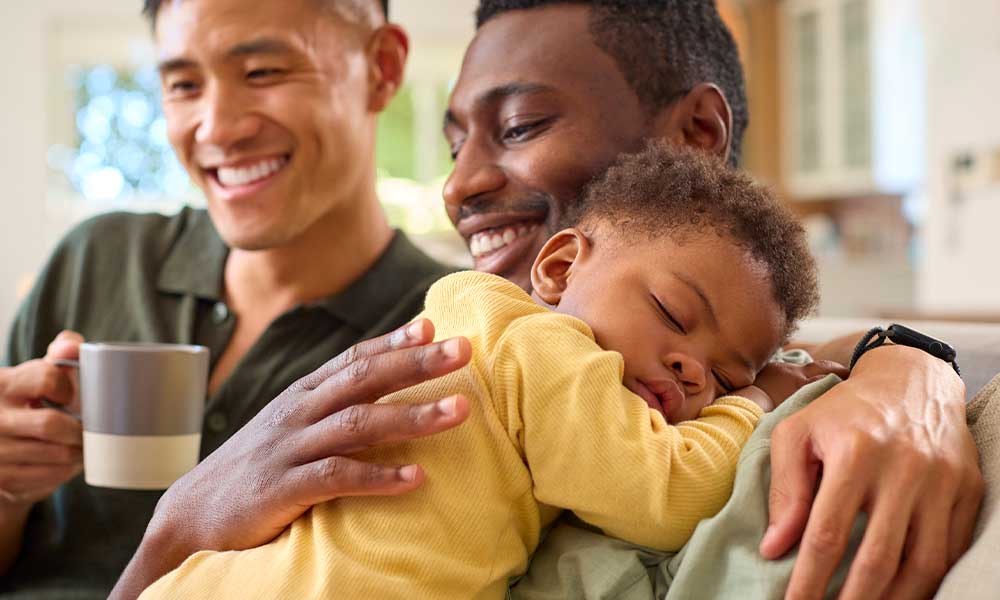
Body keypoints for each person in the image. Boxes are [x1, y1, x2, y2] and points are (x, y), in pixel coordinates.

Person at [0, 1, 981, 599]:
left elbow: (775, 368)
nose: (460, 185)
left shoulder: (453, 333)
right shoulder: (104, 256)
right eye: (177, 85)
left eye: (517, 125)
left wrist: (905, 360)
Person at [140, 143, 827, 599]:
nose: (691, 371)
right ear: (558, 269)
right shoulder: (541, 350)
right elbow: (667, 495)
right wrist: (756, 399)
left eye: (725, 377)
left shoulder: (477, 325)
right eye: (674, 314)